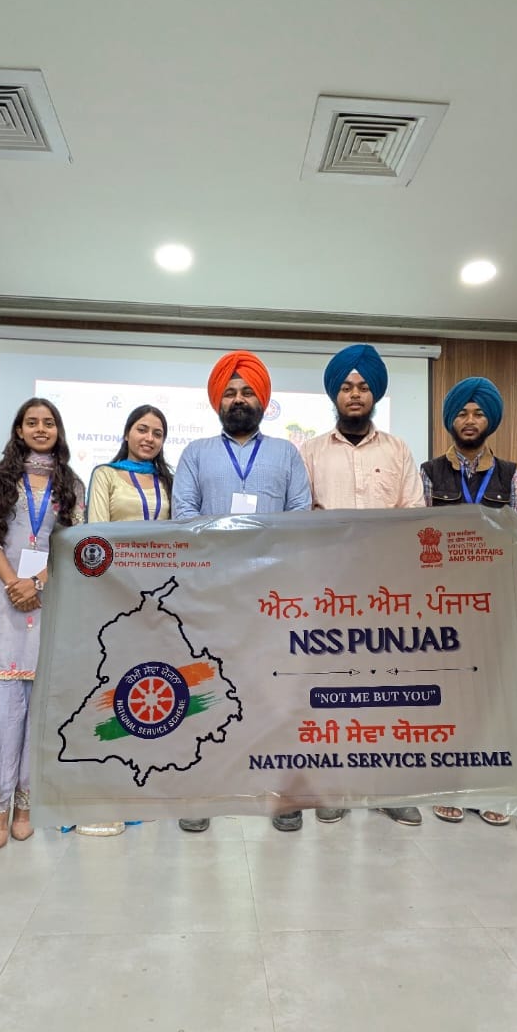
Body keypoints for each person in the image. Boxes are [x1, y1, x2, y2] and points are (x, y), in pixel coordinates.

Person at [173, 350, 311, 832]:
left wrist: (261, 552)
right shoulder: (195, 454)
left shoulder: (287, 454)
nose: (238, 399)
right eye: (230, 392)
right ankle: (202, 791)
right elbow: (184, 515)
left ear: (262, 400)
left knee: (276, 693)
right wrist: (230, 548)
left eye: (247, 391)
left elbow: (300, 515)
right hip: (211, 592)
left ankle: (282, 794)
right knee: (205, 690)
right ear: (218, 401)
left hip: (273, 595)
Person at [299, 343, 424, 828]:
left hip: (385, 589)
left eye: (363, 387)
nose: (355, 394)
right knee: (330, 687)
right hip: (327, 590)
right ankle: (332, 788)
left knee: (386, 688)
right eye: (347, 387)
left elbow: (412, 514)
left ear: (375, 395)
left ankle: (387, 789)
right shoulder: (310, 452)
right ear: (335, 394)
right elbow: (301, 517)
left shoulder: (397, 450)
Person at [0, 397, 86, 851]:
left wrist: (37, 582)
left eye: (48, 422)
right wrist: (12, 582)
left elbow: (74, 543)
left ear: (58, 430)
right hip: (1, 597)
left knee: (39, 703)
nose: (41, 429)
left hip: (50, 596)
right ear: (19, 430)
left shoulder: (71, 483)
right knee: (3, 702)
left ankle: (25, 802)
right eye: (32, 422)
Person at [420, 376, 517, 827]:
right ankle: (450, 785)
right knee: (449, 695)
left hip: (493, 602)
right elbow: (417, 538)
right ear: (450, 420)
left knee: (492, 695)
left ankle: (492, 787)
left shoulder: (511, 475)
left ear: (490, 420)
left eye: (478, 413)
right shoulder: (429, 473)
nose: (469, 420)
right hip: (442, 602)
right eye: (462, 413)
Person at [74, 404, 175, 836]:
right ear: (127, 433)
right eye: (142, 429)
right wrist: (122, 584)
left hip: (158, 599)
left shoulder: (169, 481)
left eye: (157, 432)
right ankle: (100, 796)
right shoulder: (106, 475)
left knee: (147, 687)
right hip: (113, 593)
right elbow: (96, 532)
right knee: (107, 689)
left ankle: (138, 789)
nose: (149, 438)